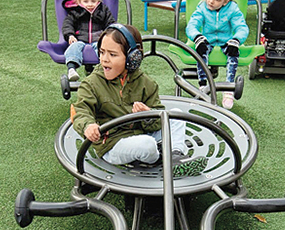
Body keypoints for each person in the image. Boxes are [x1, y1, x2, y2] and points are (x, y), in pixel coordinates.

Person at [70, 23, 208, 178]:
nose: (104, 59)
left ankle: (175, 156)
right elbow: (81, 110)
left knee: (176, 115)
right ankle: (161, 157)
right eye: (102, 52)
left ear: (132, 58)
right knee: (146, 145)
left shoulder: (146, 83)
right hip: (113, 145)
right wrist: (88, 126)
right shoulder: (91, 84)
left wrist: (149, 115)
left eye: (112, 54)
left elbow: (158, 118)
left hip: (141, 133)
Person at [186, 0, 249, 109]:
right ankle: (203, 87)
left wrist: (236, 40)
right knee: (201, 51)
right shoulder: (202, 7)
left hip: (226, 40)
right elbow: (192, 24)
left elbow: (241, 27)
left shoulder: (232, 9)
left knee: (233, 53)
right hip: (207, 39)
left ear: (225, 2)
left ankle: (229, 89)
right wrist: (197, 36)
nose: (211, 1)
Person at [62, 0, 116, 82]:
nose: (90, 4)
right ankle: (72, 69)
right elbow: (67, 24)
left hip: (98, 39)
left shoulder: (102, 10)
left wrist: (109, 35)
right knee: (74, 47)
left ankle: (103, 69)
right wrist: (70, 35)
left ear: (98, 0)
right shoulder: (76, 12)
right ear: (79, 1)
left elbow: (110, 23)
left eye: (93, 1)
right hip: (80, 39)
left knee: (103, 49)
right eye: (86, 2)